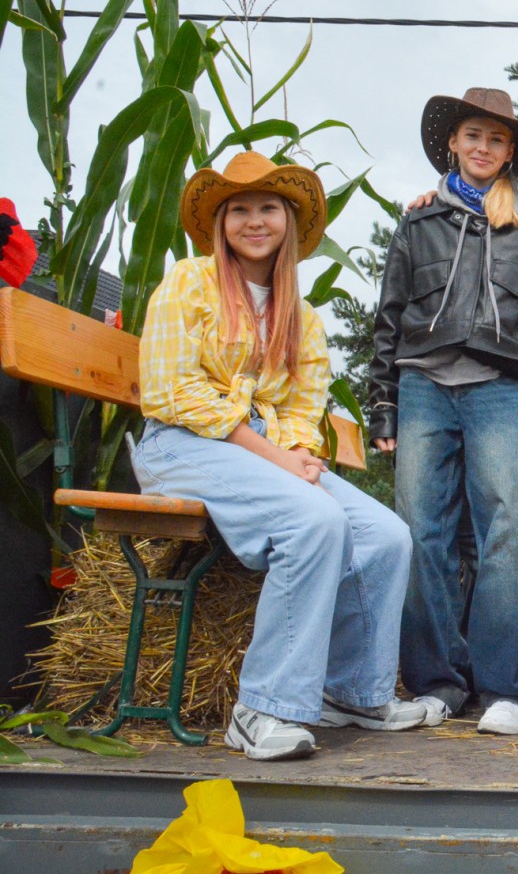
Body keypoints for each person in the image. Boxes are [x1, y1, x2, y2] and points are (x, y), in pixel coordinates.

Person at [133, 151, 424, 761]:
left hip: (260, 450)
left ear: (289, 222)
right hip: (183, 443)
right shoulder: (189, 282)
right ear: (220, 223)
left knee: (385, 534)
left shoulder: (302, 315)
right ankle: (261, 709)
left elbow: (301, 405)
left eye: (268, 208)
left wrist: (297, 450)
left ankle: (351, 692)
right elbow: (171, 391)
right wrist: (276, 456)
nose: (254, 220)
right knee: (313, 520)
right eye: (239, 209)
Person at [370, 87, 518, 736]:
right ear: (453, 143)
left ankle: (506, 687)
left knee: (506, 534)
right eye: (473, 136)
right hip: (423, 385)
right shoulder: (419, 221)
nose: (483, 148)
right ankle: (437, 685)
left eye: (497, 139)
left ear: (511, 152)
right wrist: (383, 408)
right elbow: (389, 317)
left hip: (500, 389)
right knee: (421, 532)